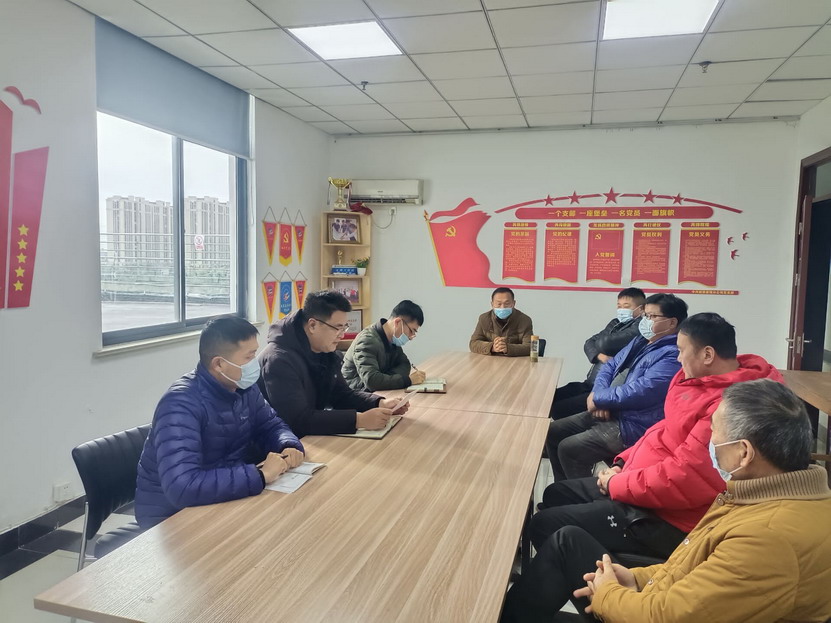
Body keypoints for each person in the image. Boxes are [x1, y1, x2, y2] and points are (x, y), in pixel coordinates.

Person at [502, 379, 831, 623]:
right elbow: (695, 571)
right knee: (567, 542)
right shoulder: (772, 496)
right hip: (668, 596)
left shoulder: (768, 538)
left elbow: (668, 616)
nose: (710, 445)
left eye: (714, 436)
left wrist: (608, 593)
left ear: (743, 453)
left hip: (659, 612)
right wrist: (636, 578)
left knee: (561, 549)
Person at [531, 313, 784, 557]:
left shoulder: (730, 406)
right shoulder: (693, 379)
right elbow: (662, 430)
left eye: (682, 351)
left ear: (707, 354)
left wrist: (617, 484)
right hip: (642, 485)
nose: (678, 358)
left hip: (668, 515)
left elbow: (685, 477)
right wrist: (622, 464)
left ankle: (595, 579)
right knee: (557, 493)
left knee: (545, 524)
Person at [135, 316, 304, 529]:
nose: (255, 363)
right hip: (171, 517)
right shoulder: (180, 404)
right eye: (249, 356)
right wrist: (260, 475)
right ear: (219, 364)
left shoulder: (243, 388)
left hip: (222, 497)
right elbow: (182, 487)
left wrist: (287, 444)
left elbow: (270, 425)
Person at [547, 293, 687, 480]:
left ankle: (579, 494)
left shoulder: (672, 355)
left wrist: (600, 398)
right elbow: (610, 365)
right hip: (614, 410)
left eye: (652, 316)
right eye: (645, 315)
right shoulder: (641, 341)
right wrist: (599, 395)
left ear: (671, 323)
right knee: (552, 433)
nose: (645, 321)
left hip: (633, 424)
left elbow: (643, 390)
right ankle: (560, 491)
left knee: (570, 449)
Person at [258, 290, 407, 437]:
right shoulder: (278, 360)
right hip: (281, 443)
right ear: (312, 325)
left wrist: (379, 403)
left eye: (344, 327)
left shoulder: (325, 350)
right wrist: (359, 420)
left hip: (309, 437)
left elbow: (340, 395)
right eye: (337, 328)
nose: (342, 334)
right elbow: (298, 420)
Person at [551, 288, 646, 420]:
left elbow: (604, 343)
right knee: (549, 397)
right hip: (589, 383)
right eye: (619, 306)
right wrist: (600, 356)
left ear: (641, 309)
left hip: (604, 388)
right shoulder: (615, 323)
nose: (621, 310)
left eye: (626, 306)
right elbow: (589, 342)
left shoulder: (640, 328)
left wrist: (601, 346)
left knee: (557, 408)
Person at [342, 299, 426, 391]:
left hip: (376, 392)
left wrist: (384, 378)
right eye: (411, 331)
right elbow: (372, 381)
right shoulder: (367, 340)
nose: (411, 337)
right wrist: (408, 380)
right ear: (398, 322)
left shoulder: (392, 340)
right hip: (354, 394)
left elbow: (405, 365)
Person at [469, 287, 534, 357]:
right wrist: (492, 347)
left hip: (515, 361)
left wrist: (508, 348)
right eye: (499, 304)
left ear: (513, 303)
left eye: (507, 303)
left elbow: (530, 347)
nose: (502, 307)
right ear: (492, 304)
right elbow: (473, 343)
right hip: (490, 361)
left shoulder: (524, 320)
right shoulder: (484, 318)